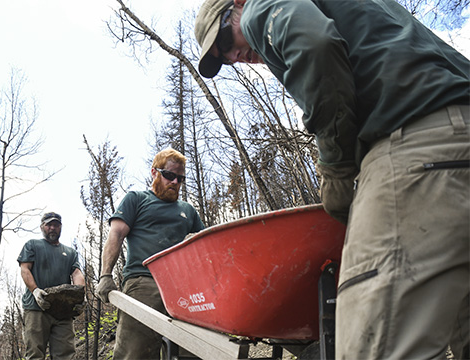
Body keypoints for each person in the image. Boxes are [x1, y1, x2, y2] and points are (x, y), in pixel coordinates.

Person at [194, 0, 469, 358]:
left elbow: (313, 42)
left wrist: (336, 168)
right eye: (224, 59)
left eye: (226, 41)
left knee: (372, 344)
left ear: (238, 5)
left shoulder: (262, 7)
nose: (233, 56)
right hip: (454, 136)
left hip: (417, 144)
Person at [96, 148, 205, 359]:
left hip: (184, 288)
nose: (175, 182)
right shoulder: (136, 199)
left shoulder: (188, 210)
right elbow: (116, 235)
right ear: (155, 172)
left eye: (180, 178)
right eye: (169, 175)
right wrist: (105, 275)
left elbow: (204, 246)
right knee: (135, 352)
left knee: (192, 352)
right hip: (144, 281)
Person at [18, 212, 86, 360]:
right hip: (36, 308)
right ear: (42, 227)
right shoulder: (32, 245)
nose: (52, 228)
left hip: (63, 311)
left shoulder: (70, 252)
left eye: (56, 225)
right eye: (49, 224)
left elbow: (76, 273)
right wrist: (35, 291)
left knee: (65, 355)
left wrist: (80, 296)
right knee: (35, 354)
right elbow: (25, 269)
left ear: (60, 227)